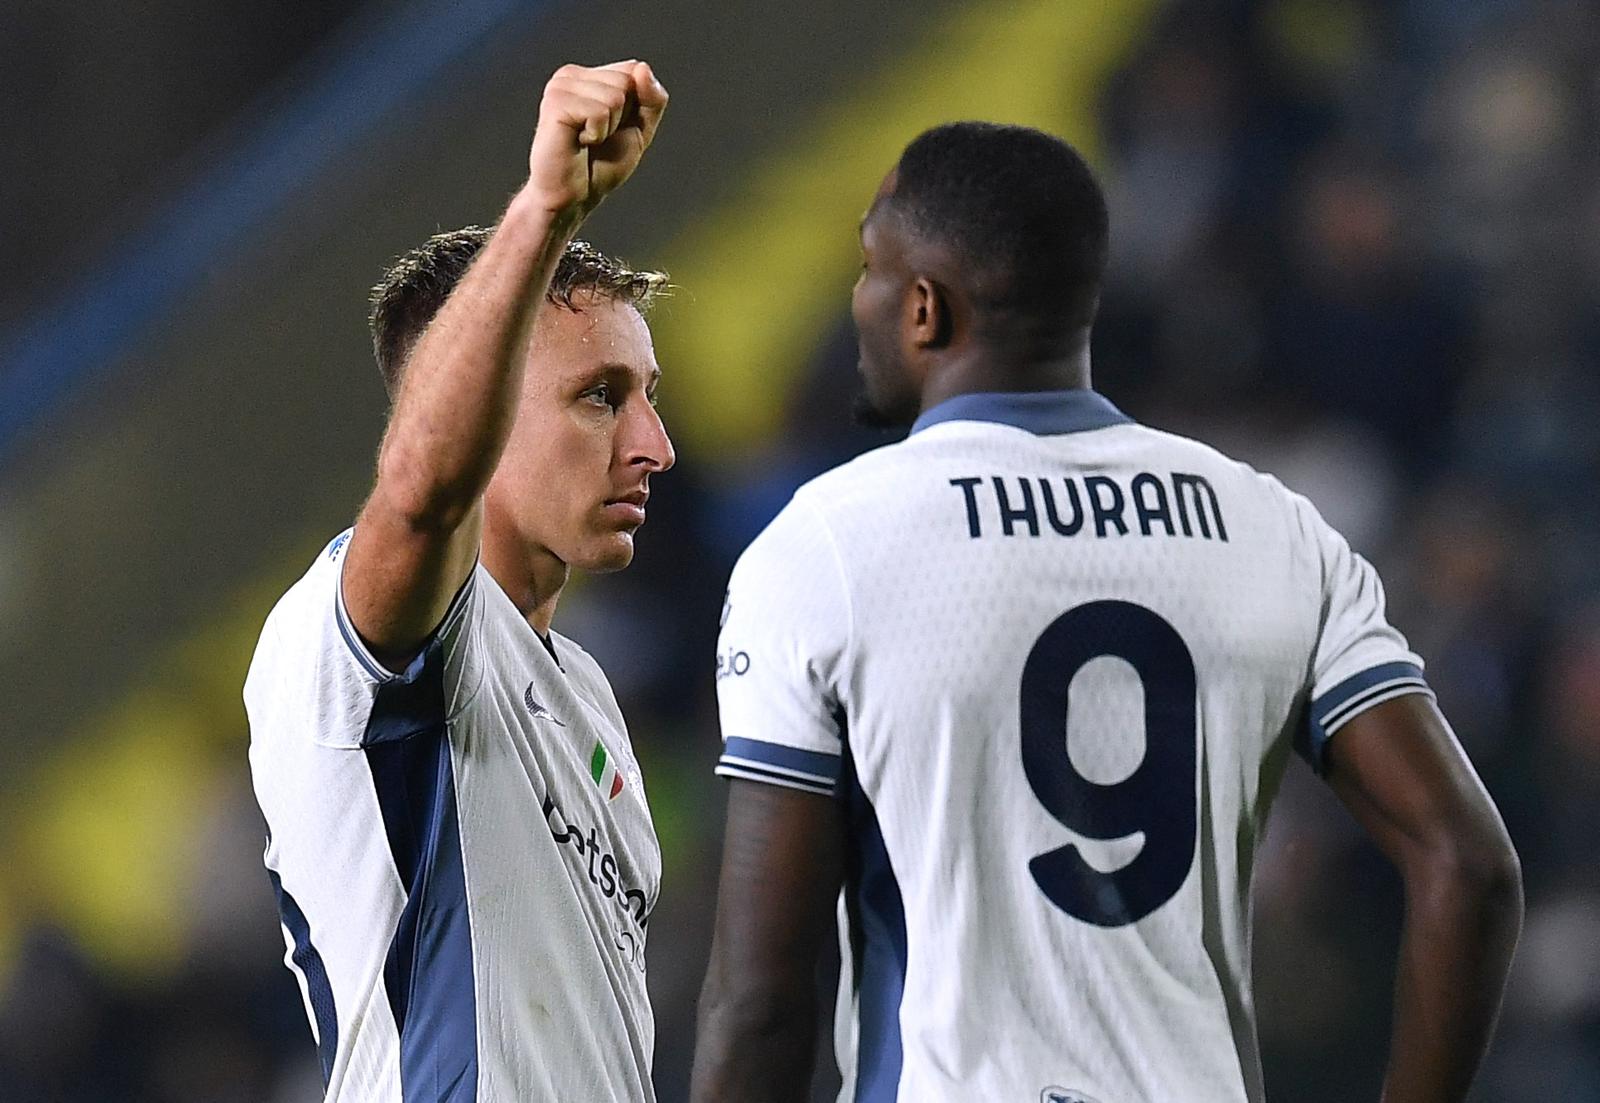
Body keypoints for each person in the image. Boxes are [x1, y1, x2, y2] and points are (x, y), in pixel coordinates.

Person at [691, 122, 1522, 1103]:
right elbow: (1467, 862)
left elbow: (761, 1000)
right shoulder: (1272, 527)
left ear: (923, 307)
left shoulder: (825, 546)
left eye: (871, 265)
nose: (858, 296)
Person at [244, 60, 673, 1100]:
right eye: (598, 397)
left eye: (647, 396)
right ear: (482, 413)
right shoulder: (373, 637)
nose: (655, 444)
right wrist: (543, 210)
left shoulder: (586, 698)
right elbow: (423, 488)